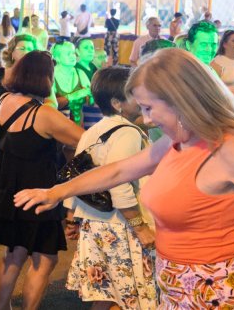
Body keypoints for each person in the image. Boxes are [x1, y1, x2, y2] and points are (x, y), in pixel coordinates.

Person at [15, 48, 234, 309]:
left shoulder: (232, 147)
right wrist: (56, 192)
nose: (146, 119)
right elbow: (121, 170)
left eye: (149, 107)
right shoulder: (181, 139)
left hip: (224, 295)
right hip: (179, 289)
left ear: (180, 100)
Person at [0, 50, 85, 310]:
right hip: (38, 195)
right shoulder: (45, 114)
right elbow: (86, 141)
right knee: (45, 259)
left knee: (14, 252)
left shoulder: (4, 100)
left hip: (7, 190)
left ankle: (2, 307)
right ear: (46, 78)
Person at [64, 66, 158, 310]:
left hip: (95, 225)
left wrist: (72, 216)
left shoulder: (94, 130)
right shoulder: (128, 132)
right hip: (121, 227)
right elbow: (119, 183)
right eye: (135, 95)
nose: (141, 100)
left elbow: (76, 174)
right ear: (117, 103)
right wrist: (140, 227)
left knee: (107, 295)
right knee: (132, 297)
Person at [53, 41, 92, 127]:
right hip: (57, 128)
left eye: (73, 53)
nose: (73, 56)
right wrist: (74, 96)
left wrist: (92, 95)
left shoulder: (80, 73)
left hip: (78, 126)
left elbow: (91, 102)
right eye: (68, 54)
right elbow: (50, 105)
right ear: (57, 58)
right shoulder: (51, 75)